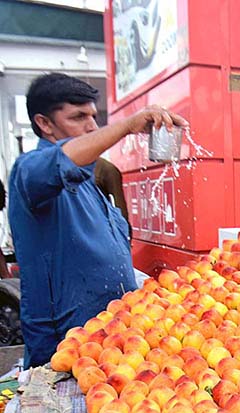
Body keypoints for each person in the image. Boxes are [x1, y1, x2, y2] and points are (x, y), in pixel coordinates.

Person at [8, 73, 187, 368]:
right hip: (65, 349)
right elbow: (60, 161)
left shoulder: (90, 183)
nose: (91, 126)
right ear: (44, 123)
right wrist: (128, 125)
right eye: (78, 117)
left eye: (94, 116)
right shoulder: (29, 173)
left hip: (114, 344)